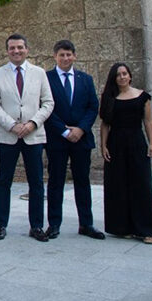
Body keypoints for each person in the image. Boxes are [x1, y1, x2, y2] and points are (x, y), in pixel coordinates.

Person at [0, 33, 54, 242]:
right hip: (9, 136)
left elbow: (48, 103)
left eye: (20, 48)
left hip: (33, 136)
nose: (16, 51)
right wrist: (12, 125)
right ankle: (1, 224)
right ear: (7, 51)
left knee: (36, 182)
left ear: (27, 49)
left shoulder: (39, 73)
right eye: (12, 48)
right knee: (3, 181)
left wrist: (33, 123)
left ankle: (36, 226)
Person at [43, 40, 105, 240]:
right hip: (56, 139)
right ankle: (54, 224)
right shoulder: (47, 78)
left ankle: (86, 223)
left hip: (81, 138)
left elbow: (92, 107)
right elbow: (45, 106)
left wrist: (80, 129)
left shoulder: (85, 79)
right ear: (55, 57)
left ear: (75, 56)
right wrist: (63, 131)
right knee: (55, 182)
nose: (65, 58)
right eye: (61, 54)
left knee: (82, 181)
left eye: (69, 54)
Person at [99, 63, 152, 244]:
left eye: (125, 74)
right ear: (114, 78)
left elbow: (148, 121)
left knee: (141, 184)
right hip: (115, 143)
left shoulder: (143, 97)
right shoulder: (109, 98)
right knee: (117, 184)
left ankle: (146, 230)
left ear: (130, 76)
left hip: (136, 142)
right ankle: (121, 227)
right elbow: (105, 124)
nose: (122, 77)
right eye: (118, 75)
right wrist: (103, 146)